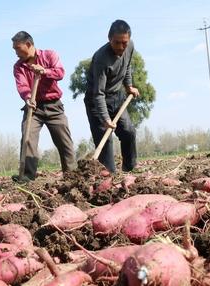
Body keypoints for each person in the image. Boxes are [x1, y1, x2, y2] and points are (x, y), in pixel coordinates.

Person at [11, 31, 77, 182]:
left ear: (28, 45)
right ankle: (27, 176)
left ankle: (72, 175)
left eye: (17, 48)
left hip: (54, 106)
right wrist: (27, 97)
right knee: (28, 139)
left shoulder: (49, 55)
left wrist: (45, 71)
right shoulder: (18, 67)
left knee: (64, 141)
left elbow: (60, 72)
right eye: (14, 49)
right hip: (33, 108)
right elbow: (22, 86)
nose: (16, 53)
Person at [84, 19, 140, 173]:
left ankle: (130, 170)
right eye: (117, 43)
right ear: (109, 39)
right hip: (96, 101)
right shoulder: (101, 58)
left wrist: (129, 86)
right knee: (105, 140)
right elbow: (98, 93)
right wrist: (105, 118)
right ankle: (109, 176)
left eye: (125, 43)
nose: (122, 47)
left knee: (128, 131)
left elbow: (127, 66)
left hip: (117, 96)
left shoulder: (130, 46)